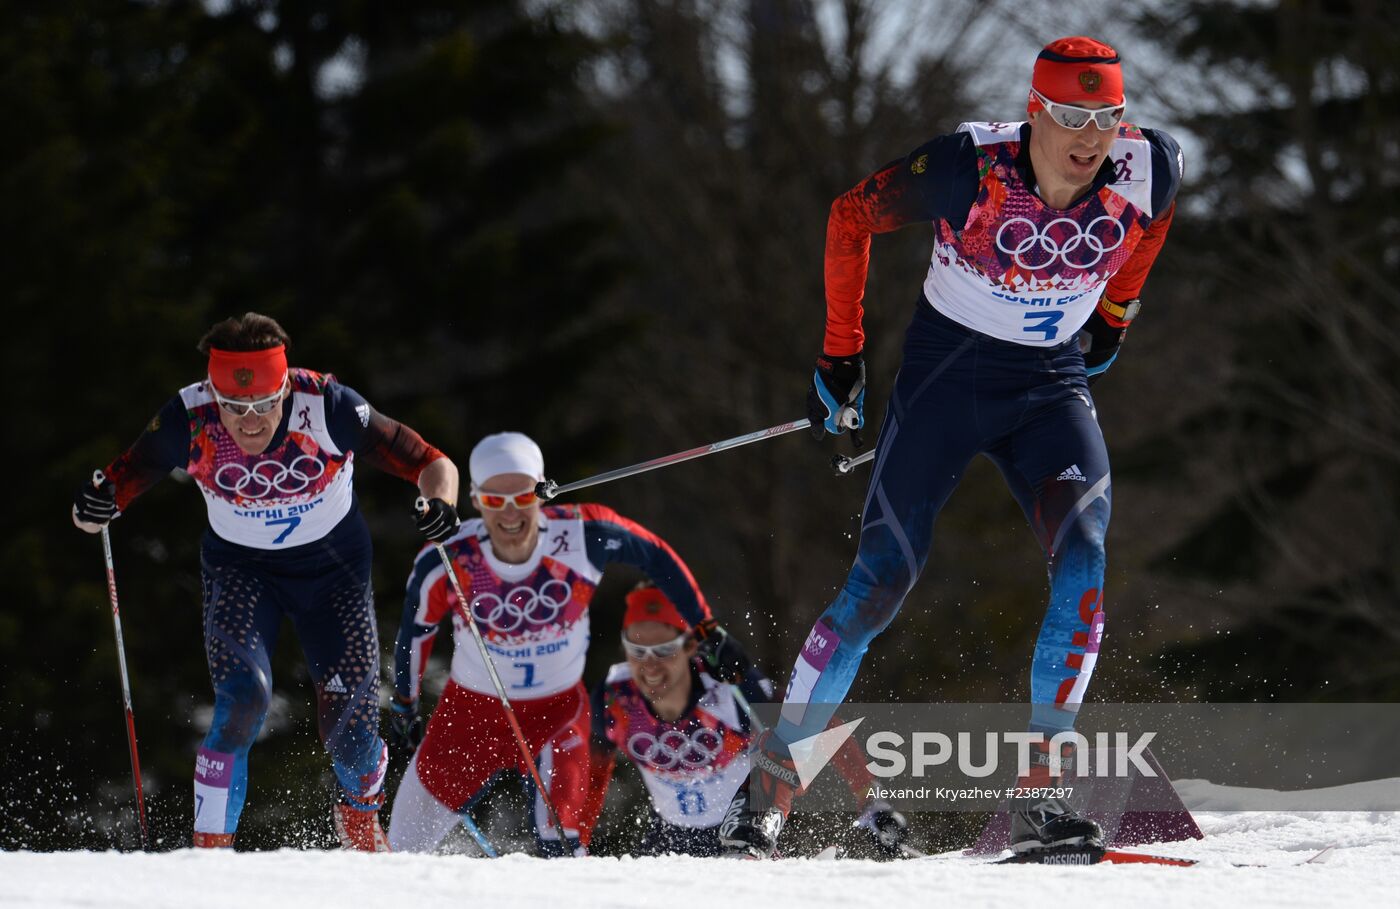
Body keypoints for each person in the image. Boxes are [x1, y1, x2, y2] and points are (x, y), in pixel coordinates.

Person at [719, 36, 1183, 859]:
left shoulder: (1152, 167)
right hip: (947, 382)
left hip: (1050, 388)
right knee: (880, 582)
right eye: (1071, 116)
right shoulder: (970, 165)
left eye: (1106, 117)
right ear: (1035, 110)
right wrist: (840, 353)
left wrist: (1114, 315)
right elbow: (849, 215)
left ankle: (1042, 798)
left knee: (1084, 559)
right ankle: (767, 789)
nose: (1089, 137)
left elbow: (1149, 234)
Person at [71, 312, 461, 851]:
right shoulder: (189, 418)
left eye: (263, 405)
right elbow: (102, 502)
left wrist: (439, 504)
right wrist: (93, 508)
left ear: (284, 388)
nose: (249, 422)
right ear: (214, 394)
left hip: (333, 571)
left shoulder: (329, 405)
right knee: (243, 700)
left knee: (350, 735)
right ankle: (209, 852)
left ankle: (360, 817)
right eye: (234, 407)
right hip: (241, 570)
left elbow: (431, 462)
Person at [385, 432, 714, 856]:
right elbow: (416, 631)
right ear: (474, 498)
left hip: (557, 715)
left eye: (521, 498)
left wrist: (706, 630)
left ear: (540, 492)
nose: (508, 514)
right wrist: (405, 703)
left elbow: (656, 554)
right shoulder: (447, 556)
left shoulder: (582, 533)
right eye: (493, 500)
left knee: (562, 849)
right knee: (402, 849)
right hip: (468, 716)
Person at [583, 584, 907, 858]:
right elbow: (592, 777)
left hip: (740, 832)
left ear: (690, 645)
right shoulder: (614, 700)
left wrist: (869, 798)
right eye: (637, 651)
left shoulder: (731, 691)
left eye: (664, 650)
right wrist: (576, 837)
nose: (649, 666)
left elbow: (817, 721)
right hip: (669, 837)